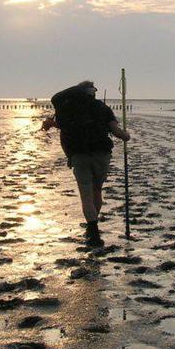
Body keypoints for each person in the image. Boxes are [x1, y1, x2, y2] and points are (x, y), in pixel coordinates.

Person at [43, 81, 130, 247]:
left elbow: (60, 125)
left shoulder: (70, 109)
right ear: (93, 93)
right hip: (101, 154)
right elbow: (117, 132)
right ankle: (92, 226)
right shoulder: (102, 107)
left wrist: (49, 123)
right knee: (97, 190)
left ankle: (92, 229)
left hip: (79, 154)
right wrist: (126, 136)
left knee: (86, 194)